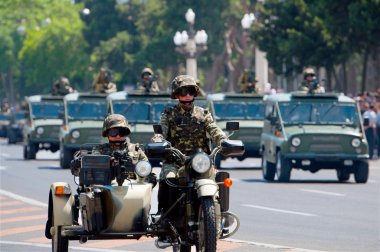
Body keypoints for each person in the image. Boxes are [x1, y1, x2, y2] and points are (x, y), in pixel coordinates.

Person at [153, 75, 227, 214]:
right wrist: (157, 141)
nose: (187, 95)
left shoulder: (203, 113)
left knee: (218, 178)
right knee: (168, 178)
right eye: (183, 92)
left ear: (195, 93)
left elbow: (214, 129)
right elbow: (161, 132)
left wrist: (223, 141)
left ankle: (220, 213)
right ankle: (165, 215)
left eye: (190, 91)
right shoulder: (169, 114)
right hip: (175, 161)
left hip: (200, 161)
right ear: (176, 94)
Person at [71, 114, 156, 185]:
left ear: (126, 133)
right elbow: (91, 170)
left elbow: (148, 174)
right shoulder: (99, 151)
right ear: (107, 133)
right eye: (114, 132)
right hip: (105, 189)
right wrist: (107, 163)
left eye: (122, 132)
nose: (118, 136)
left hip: (132, 189)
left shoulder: (136, 150)